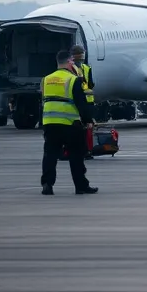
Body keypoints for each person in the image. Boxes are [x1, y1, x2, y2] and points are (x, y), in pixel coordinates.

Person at [40, 50, 98, 195]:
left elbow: (44, 99)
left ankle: (47, 185)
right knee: (76, 155)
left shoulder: (46, 79)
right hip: (70, 123)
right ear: (69, 62)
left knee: (50, 155)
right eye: (72, 61)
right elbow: (81, 103)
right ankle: (80, 186)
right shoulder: (73, 80)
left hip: (50, 122)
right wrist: (88, 120)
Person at [70, 44, 95, 109]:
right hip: (83, 100)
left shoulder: (86, 68)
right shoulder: (85, 68)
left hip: (85, 100)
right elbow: (90, 84)